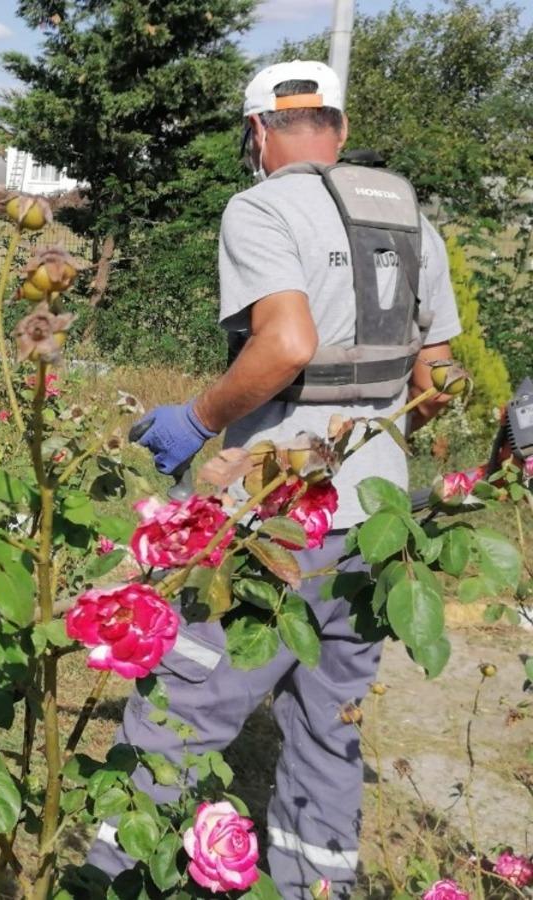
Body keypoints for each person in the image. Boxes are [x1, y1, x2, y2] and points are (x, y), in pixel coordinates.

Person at [87, 61, 462, 898]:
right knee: (331, 728)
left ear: (257, 131)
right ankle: (314, 887)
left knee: (183, 715)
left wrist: (197, 420)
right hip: (378, 525)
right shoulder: (410, 217)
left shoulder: (261, 207)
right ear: (339, 126)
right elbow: (437, 381)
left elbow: (287, 344)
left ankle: (112, 880)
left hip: (279, 516)